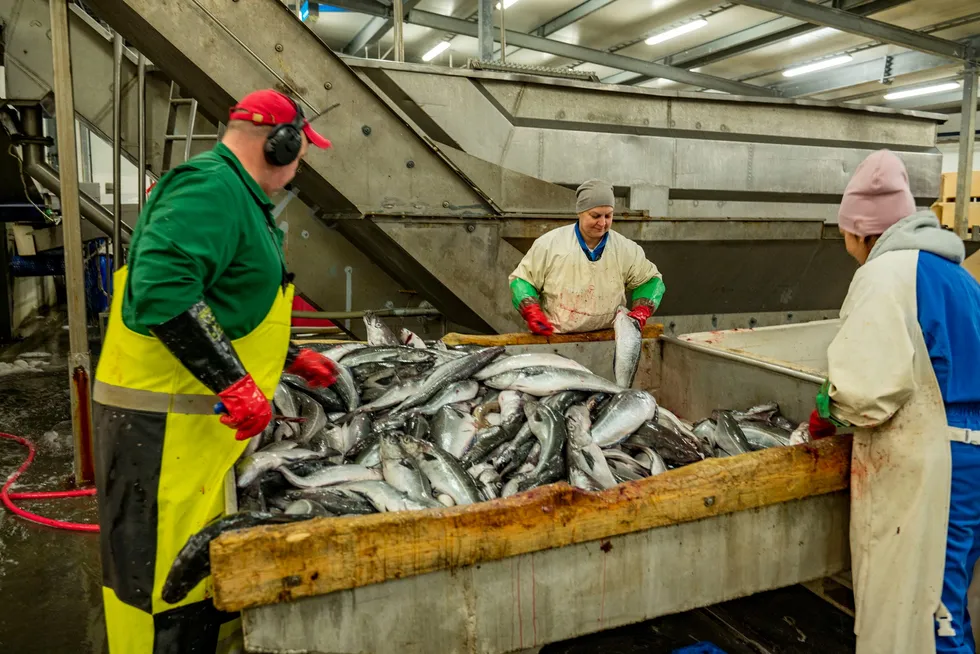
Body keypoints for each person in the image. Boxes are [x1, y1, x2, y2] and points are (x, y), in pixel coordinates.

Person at [93, 89, 336, 653]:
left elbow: (224, 297)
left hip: (195, 434)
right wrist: (234, 381)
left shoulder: (238, 195)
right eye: (300, 151)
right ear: (281, 144)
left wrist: (291, 353)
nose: (300, 164)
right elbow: (161, 291)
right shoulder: (209, 188)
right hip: (159, 433)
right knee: (158, 586)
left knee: (194, 572)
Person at [808, 150, 980, 654]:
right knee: (949, 595)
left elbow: (866, 394)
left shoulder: (886, 275)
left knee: (928, 612)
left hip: (939, 465)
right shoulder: (955, 273)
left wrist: (826, 405)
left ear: (862, 231)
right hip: (965, 450)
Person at [508, 179, 664, 335]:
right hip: (556, 337)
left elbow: (650, 280)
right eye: (595, 216)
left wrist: (642, 309)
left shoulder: (625, 249)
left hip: (608, 338)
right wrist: (531, 310)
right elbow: (522, 280)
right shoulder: (550, 244)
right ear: (580, 212)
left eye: (608, 216)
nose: (602, 223)